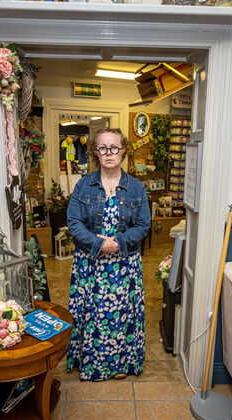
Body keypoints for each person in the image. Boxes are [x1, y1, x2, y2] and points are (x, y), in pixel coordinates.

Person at [66, 128, 151, 381]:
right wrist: (99, 245)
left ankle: (121, 364)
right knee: (93, 314)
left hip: (125, 265)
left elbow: (143, 225)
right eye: (103, 148)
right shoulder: (83, 185)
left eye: (114, 147)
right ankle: (91, 364)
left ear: (123, 150)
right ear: (96, 152)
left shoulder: (136, 187)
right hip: (90, 263)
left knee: (122, 316)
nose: (109, 153)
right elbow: (74, 223)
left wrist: (118, 243)